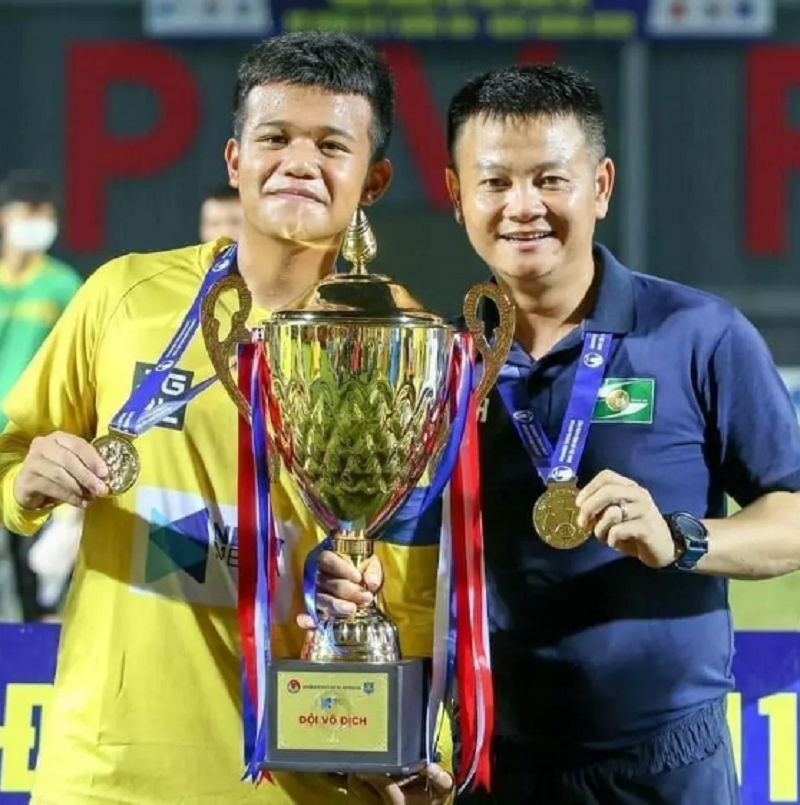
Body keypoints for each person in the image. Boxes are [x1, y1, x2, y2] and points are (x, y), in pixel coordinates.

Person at [318, 64, 800, 804]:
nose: (523, 207)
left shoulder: (699, 334)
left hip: (665, 764)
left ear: (600, 187)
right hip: (491, 763)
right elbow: (402, 554)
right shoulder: (436, 365)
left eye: (550, 179)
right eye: (494, 182)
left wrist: (681, 538)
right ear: (456, 196)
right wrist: (352, 574)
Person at [0, 32, 450, 805]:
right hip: (104, 777)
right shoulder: (122, 296)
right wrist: (27, 482)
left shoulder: (404, 349)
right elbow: (9, 457)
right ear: (235, 160)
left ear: (374, 180)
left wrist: (411, 744)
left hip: (295, 783)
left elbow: (410, 592)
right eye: (275, 137)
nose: (299, 161)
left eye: (331, 145)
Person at [0, 170, 82, 622]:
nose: (38, 223)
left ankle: (32, 646)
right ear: (5, 217)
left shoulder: (62, 285)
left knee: (32, 564)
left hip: (34, 442)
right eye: (29, 212)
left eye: (45, 214)